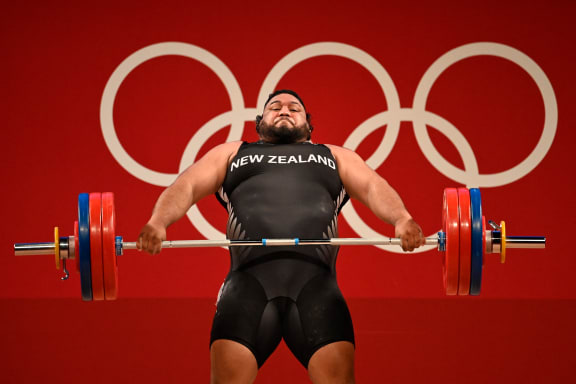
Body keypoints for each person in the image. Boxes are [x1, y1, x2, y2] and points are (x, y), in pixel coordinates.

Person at [137, 89, 425, 384]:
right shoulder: (233, 153)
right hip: (247, 288)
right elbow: (187, 185)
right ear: (259, 122)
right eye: (275, 107)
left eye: (294, 108)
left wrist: (402, 219)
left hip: (318, 290)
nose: (284, 110)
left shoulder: (334, 156)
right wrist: (158, 222)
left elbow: (373, 187)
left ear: (309, 124)